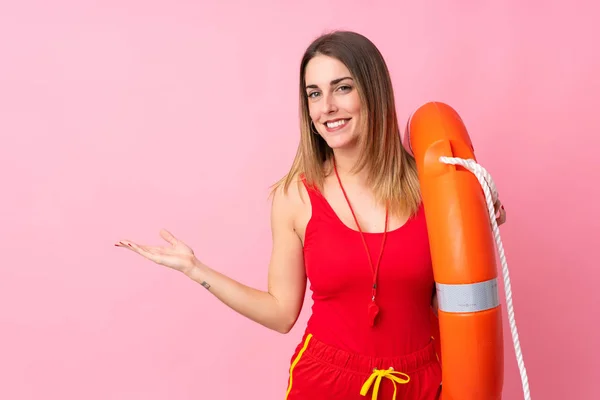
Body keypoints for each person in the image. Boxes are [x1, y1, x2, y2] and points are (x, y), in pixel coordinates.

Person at [115, 30, 506, 400]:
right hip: (325, 381)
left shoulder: (433, 188)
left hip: (419, 382)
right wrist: (195, 268)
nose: (326, 107)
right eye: (314, 94)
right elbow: (282, 313)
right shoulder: (295, 196)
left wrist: (476, 220)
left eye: (343, 87)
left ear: (374, 92)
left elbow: (458, 294)